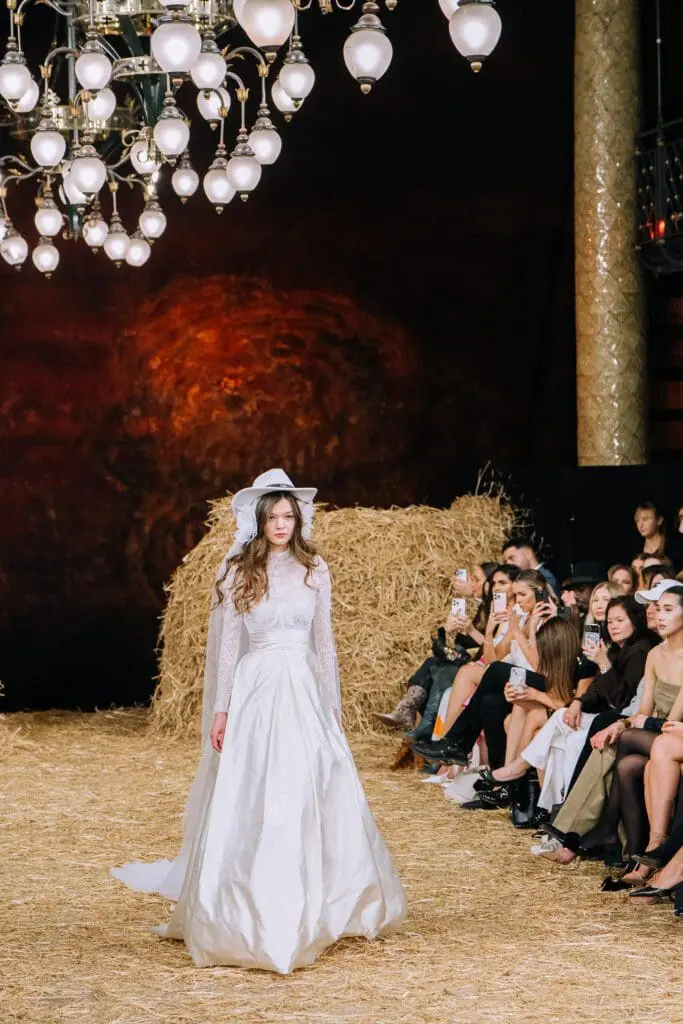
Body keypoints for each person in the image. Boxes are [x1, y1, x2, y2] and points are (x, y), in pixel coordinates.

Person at [112, 469, 406, 973]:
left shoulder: (316, 570)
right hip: (257, 689)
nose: (281, 524)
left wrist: (332, 704)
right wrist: (222, 708)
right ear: (259, 520)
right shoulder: (236, 572)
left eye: (288, 516)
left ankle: (327, 900)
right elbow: (228, 648)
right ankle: (248, 905)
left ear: (298, 519)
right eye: (272, 516)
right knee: (255, 790)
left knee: (311, 786)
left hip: (304, 690)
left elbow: (325, 642)